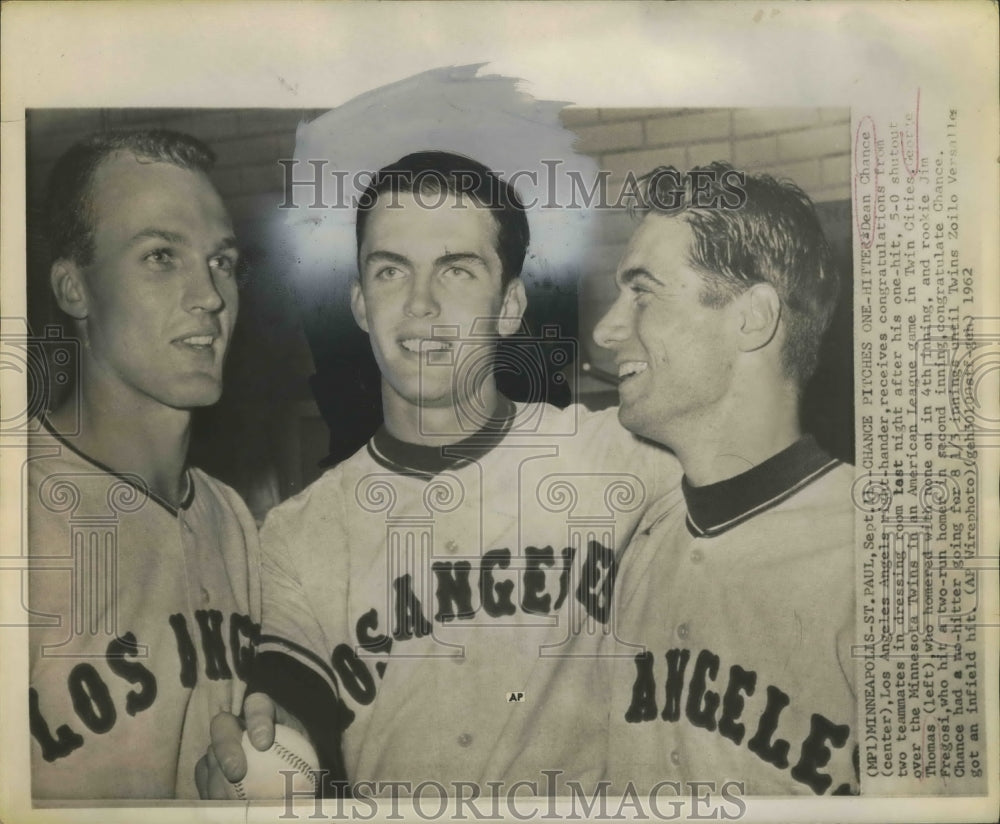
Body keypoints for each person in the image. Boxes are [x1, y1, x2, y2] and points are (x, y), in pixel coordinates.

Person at [200, 151, 680, 799]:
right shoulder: (298, 531)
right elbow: (293, 695)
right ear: (361, 304)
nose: (420, 305)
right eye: (391, 271)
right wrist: (267, 733)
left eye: (456, 271)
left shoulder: (625, 457)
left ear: (510, 304)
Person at [594, 162, 856, 795]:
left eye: (643, 292)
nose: (605, 329)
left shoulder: (887, 556)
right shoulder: (643, 540)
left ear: (751, 317)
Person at [27, 130, 260, 799]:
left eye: (222, 262)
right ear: (74, 288)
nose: (210, 296)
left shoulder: (234, 520)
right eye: (162, 256)